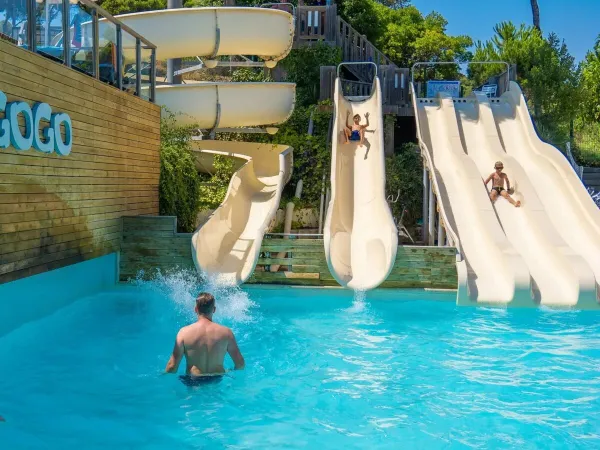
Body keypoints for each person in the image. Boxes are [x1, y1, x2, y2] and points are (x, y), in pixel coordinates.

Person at [165, 292, 245, 386]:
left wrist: (162, 376)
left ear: (196, 309)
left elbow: (172, 366)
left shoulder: (184, 332)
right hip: (217, 378)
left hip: (193, 379)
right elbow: (240, 364)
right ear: (214, 310)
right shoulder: (226, 332)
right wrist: (230, 371)